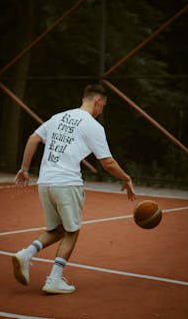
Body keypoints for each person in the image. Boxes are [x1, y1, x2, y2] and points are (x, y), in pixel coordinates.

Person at [13, 83, 136, 294]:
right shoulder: (93, 126)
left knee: (57, 230)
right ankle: (54, 279)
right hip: (67, 183)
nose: (101, 111)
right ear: (98, 100)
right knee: (72, 232)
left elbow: (33, 138)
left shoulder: (58, 117)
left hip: (45, 182)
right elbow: (107, 163)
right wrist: (126, 178)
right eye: (103, 106)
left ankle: (26, 254)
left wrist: (24, 168)